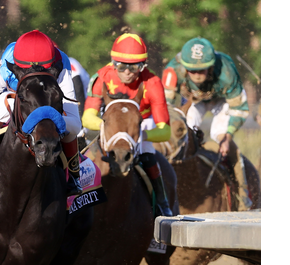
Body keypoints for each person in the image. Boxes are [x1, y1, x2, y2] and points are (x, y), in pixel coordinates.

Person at [0, 30, 83, 195]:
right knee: (3, 106)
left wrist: (47, 116)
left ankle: (74, 176)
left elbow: (75, 124)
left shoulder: (61, 65)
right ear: (16, 66)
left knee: (72, 129)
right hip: (17, 106)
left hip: (48, 110)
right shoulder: (6, 65)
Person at [81, 33, 174, 217]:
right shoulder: (101, 77)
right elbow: (87, 118)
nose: (128, 73)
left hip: (140, 123)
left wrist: (139, 134)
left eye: (135, 67)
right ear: (113, 63)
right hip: (109, 123)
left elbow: (165, 130)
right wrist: (109, 127)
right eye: (121, 67)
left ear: (143, 66)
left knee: (147, 153)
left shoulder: (153, 83)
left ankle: (163, 205)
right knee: (83, 149)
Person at [162, 37, 252, 209]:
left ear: (211, 66)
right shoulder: (173, 70)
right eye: (192, 70)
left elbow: (239, 108)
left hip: (221, 101)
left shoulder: (226, 70)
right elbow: (167, 108)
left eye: (202, 70)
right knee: (183, 132)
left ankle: (242, 194)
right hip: (193, 101)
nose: (196, 75)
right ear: (184, 66)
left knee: (219, 136)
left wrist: (227, 136)